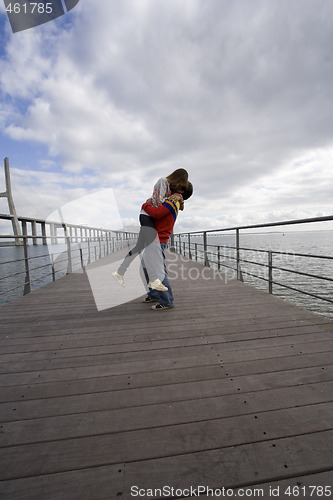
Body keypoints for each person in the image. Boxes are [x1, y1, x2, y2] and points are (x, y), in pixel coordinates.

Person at [112, 168, 188, 290]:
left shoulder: (173, 195)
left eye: (181, 190)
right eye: (180, 187)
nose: (178, 189)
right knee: (152, 255)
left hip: (148, 216)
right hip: (147, 216)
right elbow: (158, 203)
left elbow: (161, 204)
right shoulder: (163, 181)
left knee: (139, 248)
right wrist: (147, 204)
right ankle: (153, 282)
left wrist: (178, 198)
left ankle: (120, 272)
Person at [141, 181, 193, 310]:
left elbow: (157, 213)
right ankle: (154, 294)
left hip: (158, 238)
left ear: (180, 191)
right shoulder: (171, 199)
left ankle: (167, 300)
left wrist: (144, 205)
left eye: (175, 185)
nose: (171, 186)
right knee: (146, 269)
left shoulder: (172, 201)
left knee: (159, 271)